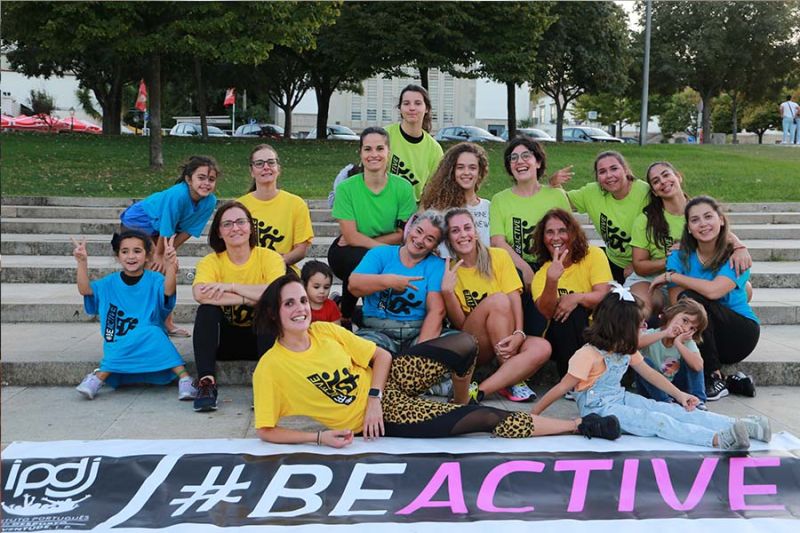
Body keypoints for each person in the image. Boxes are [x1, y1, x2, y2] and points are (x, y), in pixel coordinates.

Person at [251, 275, 622, 445]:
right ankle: (577, 426)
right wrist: (318, 437)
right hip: (381, 420)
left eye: (302, 300)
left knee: (463, 343)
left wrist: (375, 397)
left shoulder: (326, 331)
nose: (301, 308)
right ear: (273, 313)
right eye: (290, 303)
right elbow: (266, 430)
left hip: (387, 385)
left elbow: (379, 356)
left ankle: (461, 397)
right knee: (484, 419)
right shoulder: (271, 368)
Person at [532, 288, 771, 450]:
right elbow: (561, 387)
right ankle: (717, 439)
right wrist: (534, 415)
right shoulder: (587, 355)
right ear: (621, 328)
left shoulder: (625, 349)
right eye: (640, 325)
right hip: (599, 410)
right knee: (656, 420)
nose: (645, 328)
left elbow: (651, 374)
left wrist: (680, 395)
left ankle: (740, 425)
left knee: (669, 409)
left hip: (620, 399)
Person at [651, 195, 761, 401]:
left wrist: (672, 276)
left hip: (738, 334)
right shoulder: (679, 256)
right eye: (695, 220)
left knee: (693, 299)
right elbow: (677, 302)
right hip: (701, 334)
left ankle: (713, 376)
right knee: (688, 302)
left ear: (720, 220)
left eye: (708, 217)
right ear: (689, 228)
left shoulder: (736, 256)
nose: (703, 224)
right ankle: (732, 382)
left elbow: (714, 291)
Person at [443, 209, 551, 403]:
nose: (463, 235)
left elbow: (514, 298)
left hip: (506, 335)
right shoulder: (450, 272)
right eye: (455, 231)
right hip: (476, 344)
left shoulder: (499, 257)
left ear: (475, 232)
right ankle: (512, 377)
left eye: (467, 228)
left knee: (542, 347)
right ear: (449, 239)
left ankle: (479, 391)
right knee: (498, 300)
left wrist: (519, 333)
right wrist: (448, 293)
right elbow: (461, 326)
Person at [72, 230, 196, 400]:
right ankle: (99, 377)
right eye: (125, 251)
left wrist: (170, 267)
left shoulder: (155, 279)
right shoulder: (109, 283)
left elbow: (168, 291)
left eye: (137, 251)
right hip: (119, 338)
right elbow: (85, 290)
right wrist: (82, 262)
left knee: (152, 332)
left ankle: (185, 379)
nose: (131, 256)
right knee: (132, 339)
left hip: (150, 338)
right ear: (118, 256)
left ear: (147, 256)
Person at [191, 201, 286, 412]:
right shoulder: (211, 261)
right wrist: (247, 297)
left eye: (240, 222)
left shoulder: (269, 257)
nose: (235, 228)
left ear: (250, 227)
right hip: (226, 342)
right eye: (228, 224)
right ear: (219, 232)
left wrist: (230, 287)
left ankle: (266, 386)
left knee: (269, 310)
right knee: (206, 310)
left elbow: (277, 293)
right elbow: (200, 294)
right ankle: (206, 384)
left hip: (265, 339)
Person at [629, 161, 752, 320]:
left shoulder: (699, 210)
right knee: (645, 304)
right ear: (654, 191)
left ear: (678, 177)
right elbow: (639, 266)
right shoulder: (645, 220)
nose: (663, 182)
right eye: (656, 181)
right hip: (654, 277)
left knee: (745, 289)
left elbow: (722, 232)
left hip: (688, 275)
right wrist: (673, 259)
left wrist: (740, 248)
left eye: (666, 175)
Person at [119, 155, 220, 337]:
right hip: (138, 222)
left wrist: (169, 254)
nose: (206, 183)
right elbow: (167, 225)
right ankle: (140, 324)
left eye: (211, 179)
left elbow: (189, 230)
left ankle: (167, 323)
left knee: (170, 269)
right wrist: (158, 256)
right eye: (201, 177)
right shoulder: (178, 194)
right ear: (189, 179)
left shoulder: (210, 201)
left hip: (161, 232)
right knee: (152, 269)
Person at [328, 127, 417, 329]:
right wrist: (382, 249)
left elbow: (403, 234)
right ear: (360, 153)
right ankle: (346, 318)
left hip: (377, 248)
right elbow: (350, 237)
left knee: (371, 261)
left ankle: (361, 312)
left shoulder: (403, 188)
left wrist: (376, 246)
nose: (374, 154)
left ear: (388, 152)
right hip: (348, 251)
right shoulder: (346, 188)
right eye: (368, 149)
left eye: (379, 148)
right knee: (360, 261)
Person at [349, 211, 447, 354]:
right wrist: (388, 281)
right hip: (376, 331)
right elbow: (354, 285)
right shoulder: (380, 254)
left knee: (462, 343)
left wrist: (419, 354)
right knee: (355, 351)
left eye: (429, 239)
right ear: (410, 228)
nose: (420, 240)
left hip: (417, 332)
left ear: (435, 246)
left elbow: (437, 311)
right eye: (418, 231)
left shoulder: (437, 265)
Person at [531, 208, 612, 378]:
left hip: (597, 330)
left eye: (562, 231)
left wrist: (577, 297)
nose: (556, 238)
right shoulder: (542, 274)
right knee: (566, 312)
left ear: (573, 233)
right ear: (543, 238)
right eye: (549, 232)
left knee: (575, 306)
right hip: (561, 338)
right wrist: (552, 280)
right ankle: (571, 378)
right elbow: (546, 311)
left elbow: (603, 295)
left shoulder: (594, 255)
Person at [551, 151, 650, 284]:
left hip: (644, 264)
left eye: (614, 169)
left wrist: (637, 264)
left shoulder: (644, 192)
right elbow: (562, 201)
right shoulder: (592, 192)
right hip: (612, 260)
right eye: (602, 172)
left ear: (625, 169)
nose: (609, 176)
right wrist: (554, 185)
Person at [490, 137, 571, 288]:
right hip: (516, 269)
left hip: (555, 266)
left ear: (538, 162)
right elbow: (498, 242)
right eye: (513, 158)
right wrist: (525, 269)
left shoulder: (556, 195)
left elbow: (570, 236)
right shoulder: (499, 200)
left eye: (526, 156)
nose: (519, 161)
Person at [238, 144, 313, 275]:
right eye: (259, 163)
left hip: (283, 270)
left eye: (271, 162)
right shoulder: (239, 206)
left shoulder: (296, 204)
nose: (266, 167)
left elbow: (301, 249)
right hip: (247, 270)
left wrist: (277, 262)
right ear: (252, 171)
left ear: (278, 168)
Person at [418, 142, 491, 257]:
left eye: (472, 168)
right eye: (460, 167)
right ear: (451, 171)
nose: (466, 172)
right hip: (445, 270)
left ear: (480, 172)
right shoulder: (436, 208)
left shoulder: (489, 207)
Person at [636, 298, 709, 408]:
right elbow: (635, 344)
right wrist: (665, 333)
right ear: (673, 313)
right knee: (644, 361)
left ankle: (697, 401)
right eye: (685, 320)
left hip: (678, 388)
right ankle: (667, 403)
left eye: (692, 328)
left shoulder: (687, 343)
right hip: (653, 389)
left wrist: (678, 343)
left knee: (692, 360)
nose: (686, 328)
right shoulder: (653, 334)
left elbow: (698, 366)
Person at [385, 84, 444, 200]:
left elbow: (434, 190)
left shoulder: (435, 149)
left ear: (426, 108)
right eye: (406, 103)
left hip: (413, 213)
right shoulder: (384, 135)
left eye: (418, 103)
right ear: (400, 108)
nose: (412, 108)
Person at [301, 260, 341, 325]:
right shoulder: (300, 306)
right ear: (304, 285)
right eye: (316, 287)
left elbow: (336, 330)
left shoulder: (331, 306)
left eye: (326, 287)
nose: (322, 291)